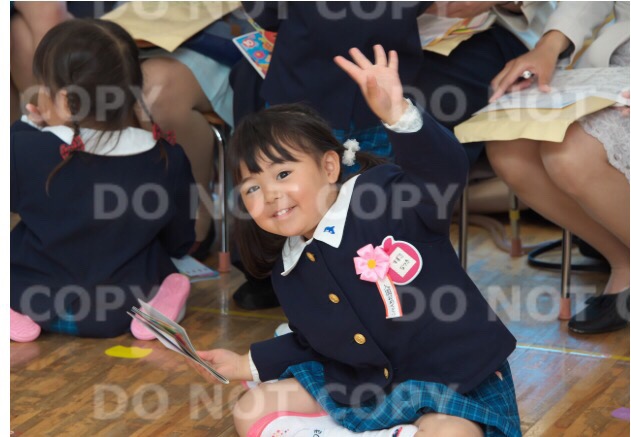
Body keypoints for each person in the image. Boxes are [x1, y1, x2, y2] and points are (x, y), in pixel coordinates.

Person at [191, 46, 522, 437]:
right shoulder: (289, 265)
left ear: (329, 166)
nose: (270, 195)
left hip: (457, 381)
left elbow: (444, 172)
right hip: (366, 388)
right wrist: (245, 363)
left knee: (449, 433)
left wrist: (398, 114)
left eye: (282, 174)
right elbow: (314, 343)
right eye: (252, 187)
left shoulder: (381, 196)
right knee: (252, 408)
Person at [10, 19, 196, 342]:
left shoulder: (24, 148)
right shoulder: (167, 155)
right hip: (124, 306)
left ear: (66, 101)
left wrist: (27, 127)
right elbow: (180, 239)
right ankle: (160, 303)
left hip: (34, 300)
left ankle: (11, 313)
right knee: (157, 259)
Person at [486, 1, 630, 334]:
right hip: (618, 61)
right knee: (509, 150)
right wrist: (548, 46)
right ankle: (623, 261)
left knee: (567, 156)